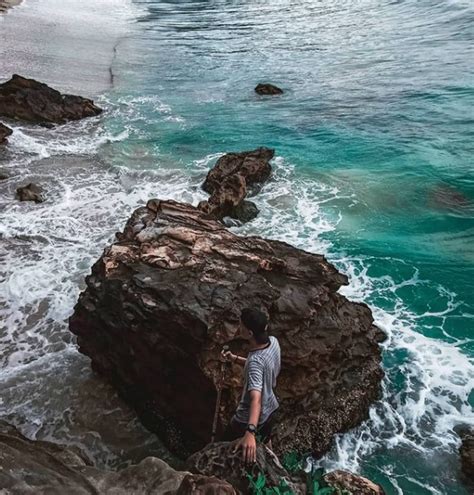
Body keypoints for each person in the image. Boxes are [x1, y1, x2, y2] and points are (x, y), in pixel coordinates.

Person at [221, 307, 281, 464]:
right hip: (271, 409)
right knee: (267, 445)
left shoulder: (255, 361)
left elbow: (256, 398)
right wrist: (234, 359)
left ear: (249, 333)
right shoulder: (273, 342)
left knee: (221, 447)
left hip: (246, 419)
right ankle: (277, 467)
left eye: (241, 326)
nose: (238, 328)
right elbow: (261, 366)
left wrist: (250, 432)